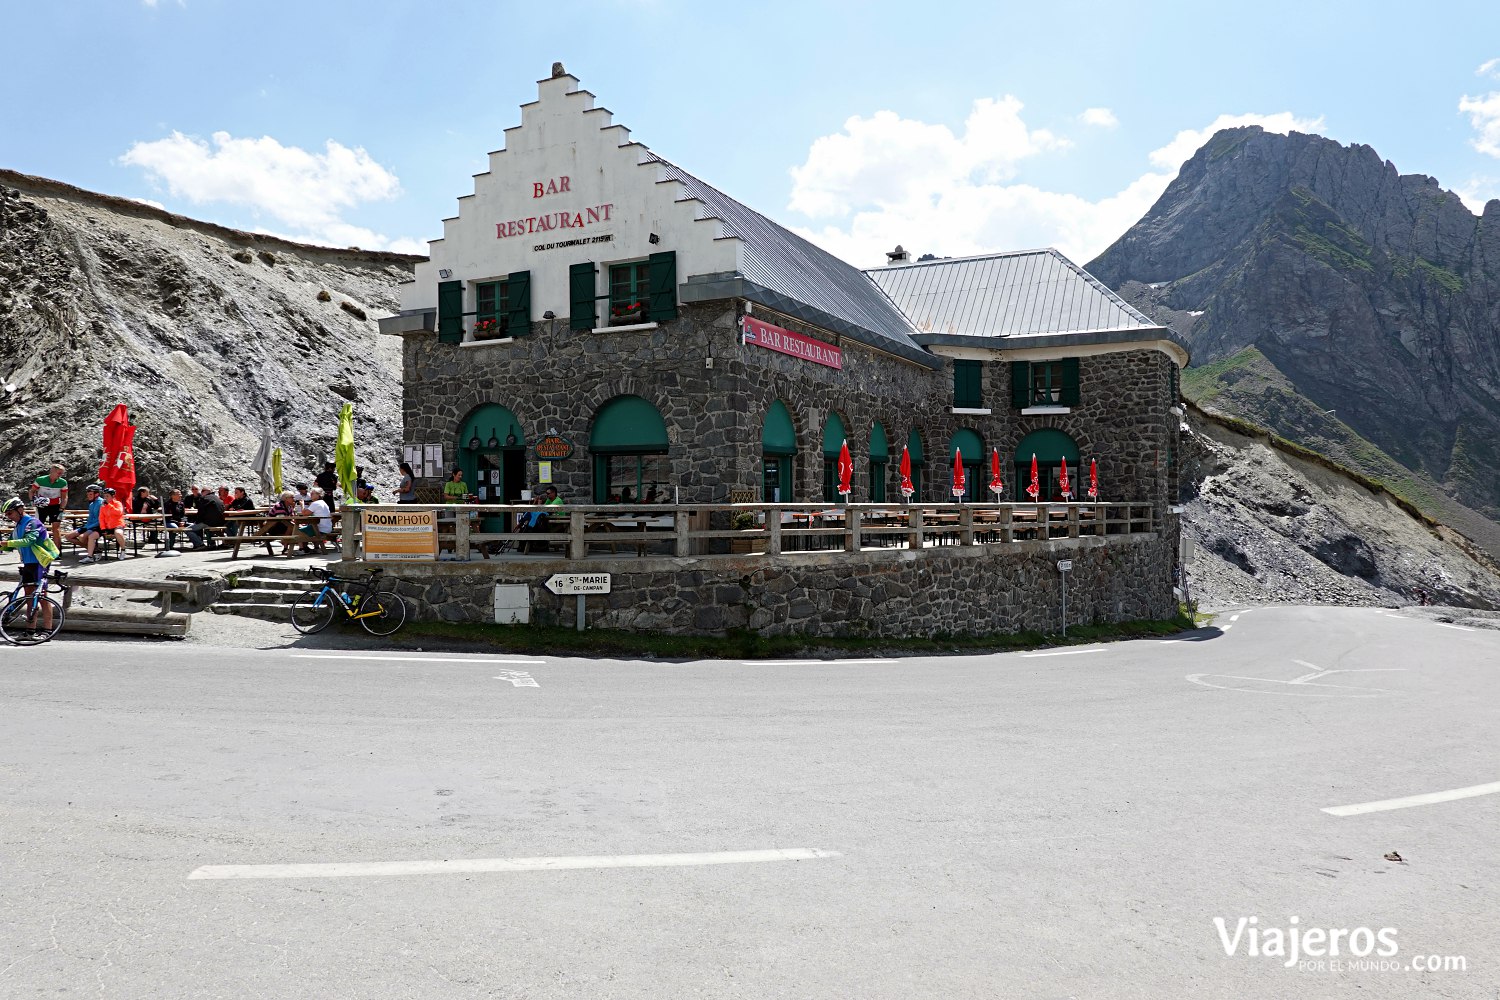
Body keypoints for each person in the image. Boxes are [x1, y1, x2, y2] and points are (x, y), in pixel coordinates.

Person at [3, 497, 59, 633]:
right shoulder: (17, 527)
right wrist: (4, 545)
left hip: (40, 563)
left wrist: (8, 544)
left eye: (10, 513)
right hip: (28, 563)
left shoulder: (32, 522)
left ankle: (47, 629)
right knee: (29, 596)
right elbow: (8, 547)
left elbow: (29, 540)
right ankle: (30, 630)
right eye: (6, 515)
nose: (8, 517)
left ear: (20, 510)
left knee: (42, 597)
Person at [64, 484, 105, 563]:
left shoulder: (101, 503)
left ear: (97, 494)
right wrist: (86, 526)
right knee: (68, 536)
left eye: (90, 494)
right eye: (87, 494)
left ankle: (92, 553)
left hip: (97, 526)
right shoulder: (92, 504)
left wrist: (89, 527)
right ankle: (96, 550)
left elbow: (101, 519)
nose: (88, 496)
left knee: (82, 537)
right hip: (89, 525)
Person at [29, 463, 68, 534]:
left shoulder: (63, 482)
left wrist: (61, 509)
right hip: (42, 506)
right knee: (38, 527)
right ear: (52, 471)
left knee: (56, 528)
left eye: (61, 474)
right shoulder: (40, 480)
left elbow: (64, 497)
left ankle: (57, 545)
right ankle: (39, 544)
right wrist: (32, 501)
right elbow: (32, 491)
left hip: (55, 506)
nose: (60, 475)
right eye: (59, 473)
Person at [293, 488, 334, 553]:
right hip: (327, 528)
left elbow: (304, 513)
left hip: (319, 529)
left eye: (312, 493)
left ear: (319, 495)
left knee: (297, 532)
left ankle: (302, 549)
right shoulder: (323, 503)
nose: (310, 495)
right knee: (310, 527)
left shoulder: (315, 503)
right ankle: (316, 547)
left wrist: (302, 505)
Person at [95, 487, 130, 558]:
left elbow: (119, 512)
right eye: (104, 496)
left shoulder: (117, 503)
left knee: (118, 533)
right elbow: (101, 518)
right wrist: (103, 528)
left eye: (107, 496)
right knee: (92, 535)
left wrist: (109, 505)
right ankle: (97, 551)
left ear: (113, 496)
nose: (105, 498)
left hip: (117, 525)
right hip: (107, 526)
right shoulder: (103, 506)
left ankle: (123, 550)